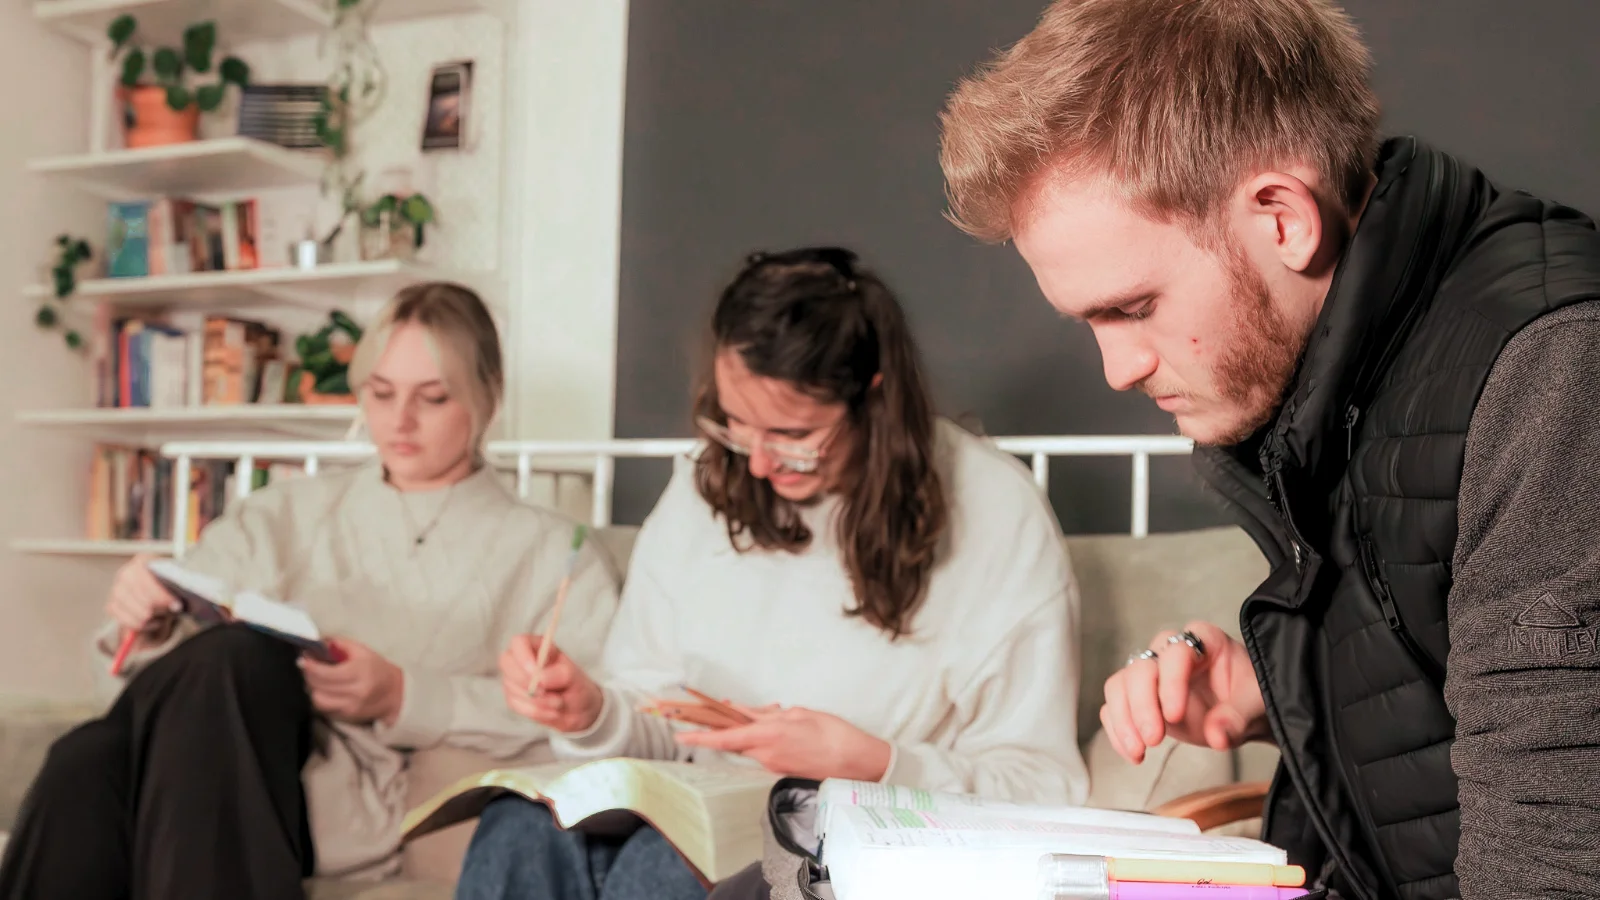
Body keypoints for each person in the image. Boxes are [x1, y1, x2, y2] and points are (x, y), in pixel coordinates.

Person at [938, 1, 1600, 898]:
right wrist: (1278, 692)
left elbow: (1552, 865)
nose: (1118, 369)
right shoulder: (1334, 377)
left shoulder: (1554, 372)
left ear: (1282, 217)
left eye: (1131, 308)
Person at [455, 246, 1089, 900]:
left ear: (873, 398)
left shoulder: (996, 512)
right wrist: (590, 712)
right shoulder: (707, 490)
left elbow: (1043, 786)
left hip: (859, 838)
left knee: (662, 870)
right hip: (696, 808)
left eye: (791, 434)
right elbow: (656, 719)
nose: (756, 465)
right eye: (734, 426)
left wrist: (875, 763)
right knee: (517, 829)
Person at [0, 283, 620, 899]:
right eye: (380, 394)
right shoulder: (281, 512)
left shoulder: (549, 550)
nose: (398, 421)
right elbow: (119, 687)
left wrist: (404, 694)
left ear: (487, 398)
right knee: (105, 742)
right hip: (190, 769)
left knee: (106, 747)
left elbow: (590, 717)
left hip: (307, 797)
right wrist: (151, 619)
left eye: (431, 398)